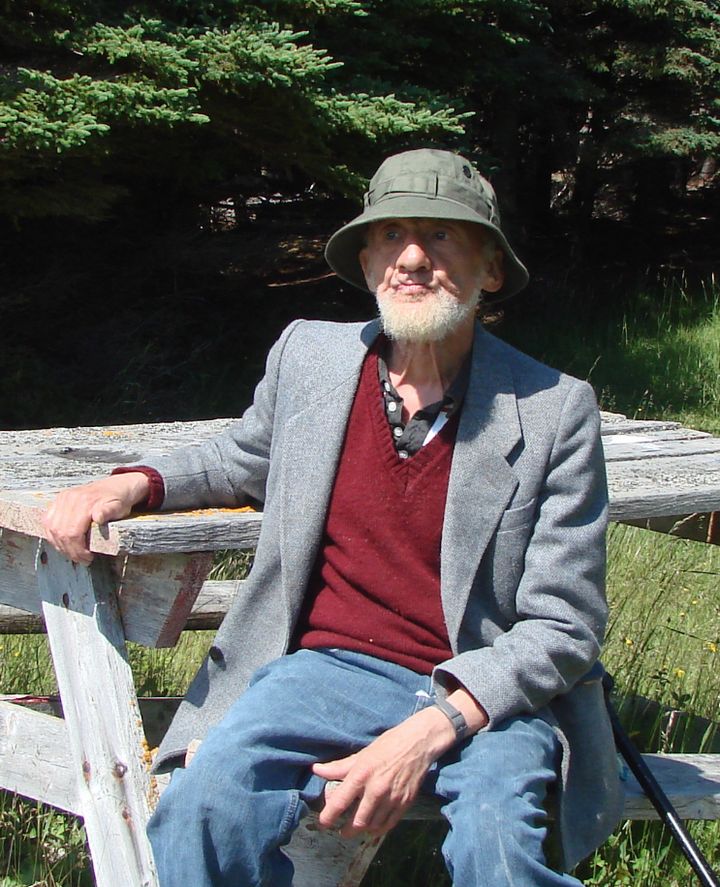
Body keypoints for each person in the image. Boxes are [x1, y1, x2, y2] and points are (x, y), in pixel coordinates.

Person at [43, 148, 623, 886]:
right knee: (202, 808)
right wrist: (134, 482)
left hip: (486, 692)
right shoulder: (310, 357)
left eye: (442, 235)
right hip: (325, 669)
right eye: (391, 235)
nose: (411, 257)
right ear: (367, 260)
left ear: (491, 269)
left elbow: (564, 625)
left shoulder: (552, 409)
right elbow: (240, 458)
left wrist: (433, 727)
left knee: (498, 844)